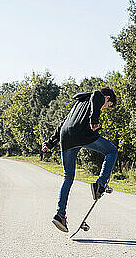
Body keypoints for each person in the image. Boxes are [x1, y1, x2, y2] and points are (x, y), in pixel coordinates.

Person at [41, 87, 118, 232]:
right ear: (107, 98)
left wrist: (50, 142)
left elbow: (64, 122)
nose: (104, 108)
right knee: (112, 151)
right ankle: (99, 185)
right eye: (107, 106)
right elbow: (97, 94)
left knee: (68, 177)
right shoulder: (98, 96)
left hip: (66, 136)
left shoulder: (80, 102)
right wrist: (94, 119)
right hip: (81, 134)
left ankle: (60, 215)